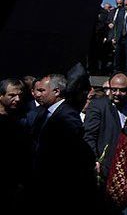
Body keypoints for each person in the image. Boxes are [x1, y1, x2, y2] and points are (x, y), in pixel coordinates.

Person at [30, 73, 96, 203]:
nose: (37, 95)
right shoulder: (43, 112)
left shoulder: (68, 115)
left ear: (56, 91)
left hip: (56, 183)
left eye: (42, 91)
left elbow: (68, 152)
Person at [83, 72, 127, 183]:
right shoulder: (99, 106)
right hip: (105, 165)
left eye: (122, 90)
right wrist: (95, 160)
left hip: (126, 166)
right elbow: (89, 135)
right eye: (114, 89)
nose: (117, 93)